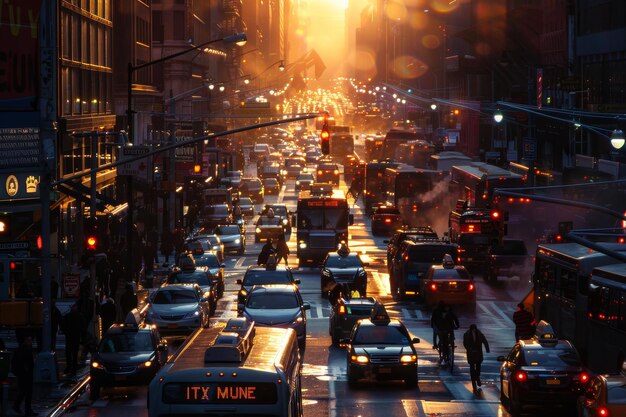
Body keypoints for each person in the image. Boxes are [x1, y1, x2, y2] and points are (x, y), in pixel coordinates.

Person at [11, 336, 37, 416]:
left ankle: (20, 406)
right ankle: (23, 408)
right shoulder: (23, 350)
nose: (30, 342)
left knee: (24, 392)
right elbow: (24, 363)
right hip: (25, 374)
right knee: (26, 392)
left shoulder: (23, 349)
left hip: (24, 374)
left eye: (30, 340)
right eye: (28, 340)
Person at [463, 324, 490, 392]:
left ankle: (477, 378)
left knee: (478, 366)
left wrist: (487, 349)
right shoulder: (466, 334)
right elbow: (465, 343)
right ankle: (473, 381)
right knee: (472, 367)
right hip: (471, 352)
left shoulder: (479, 333)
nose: (474, 330)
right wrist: (469, 349)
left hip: (478, 352)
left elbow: (484, 340)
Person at [61, 304, 82, 376]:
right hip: (75, 337)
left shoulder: (67, 316)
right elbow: (82, 327)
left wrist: (66, 332)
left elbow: (63, 326)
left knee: (69, 352)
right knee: (74, 353)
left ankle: (69, 367)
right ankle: (73, 368)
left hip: (69, 337)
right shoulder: (79, 316)